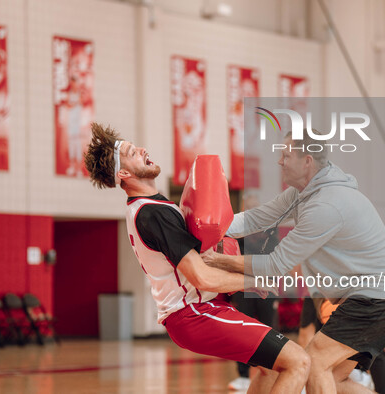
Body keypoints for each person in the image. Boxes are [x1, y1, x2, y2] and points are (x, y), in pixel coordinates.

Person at [83, 123, 310, 394]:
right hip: (193, 313)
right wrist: (251, 280)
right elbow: (201, 276)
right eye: (132, 152)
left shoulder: (152, 207)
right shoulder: (154, 213)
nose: (142, 149)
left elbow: (211, 249)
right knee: (299, 362)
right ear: (124, 173)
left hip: (198, 310)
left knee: (271, 366)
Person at [202, 130, 385, 393]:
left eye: (286, 155)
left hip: (380, 297)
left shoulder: (326, 205)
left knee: (314, 364)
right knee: (333, 377)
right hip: (375, 297)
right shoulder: (301, 194)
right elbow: (257, 218)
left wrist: (218, 260)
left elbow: (275, 265)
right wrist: (208, 227)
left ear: (307, 161)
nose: (279, 161)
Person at [228, 192, 278, 392]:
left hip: (267, 285)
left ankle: (272, 370)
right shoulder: (236, 228)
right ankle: (242, 375)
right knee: (242, 331)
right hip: (242, 286)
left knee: (269, 330)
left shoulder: (271, 229)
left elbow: (277, 254)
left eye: (255, 206)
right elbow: (231, 254)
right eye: (248, 206)